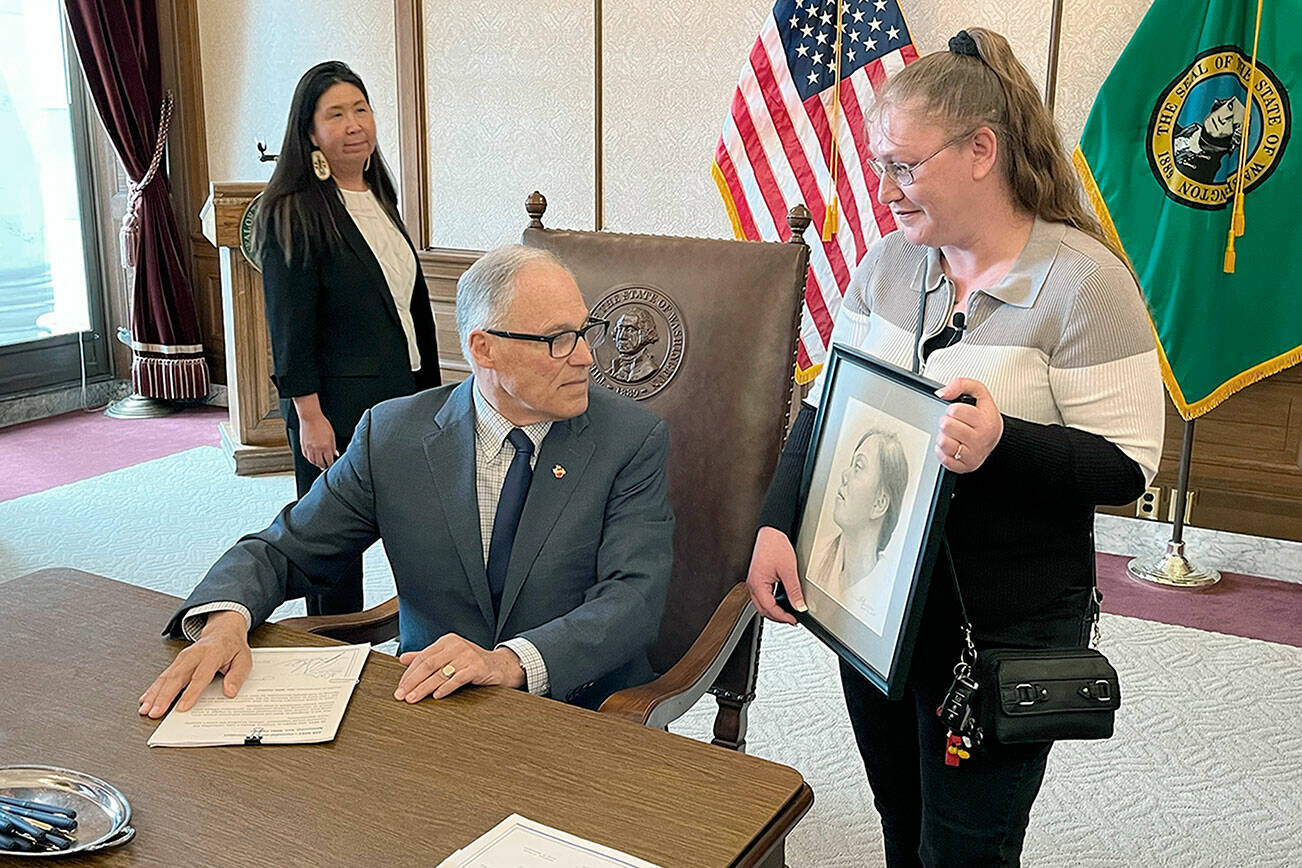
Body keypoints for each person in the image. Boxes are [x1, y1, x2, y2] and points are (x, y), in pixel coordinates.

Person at [744, 28, 1164, 867]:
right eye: (880, 166)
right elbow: (823, 409)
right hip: (874, 607)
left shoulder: (1086, 284)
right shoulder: (888, 266)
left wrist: (1003, 442)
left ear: (981, 151)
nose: (886, 191)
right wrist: (775, 522)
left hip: (1000, 626)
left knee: (967, 848)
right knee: (899, 819)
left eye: (904, 166)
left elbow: (1125, 467)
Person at [138, 245, 674, 718]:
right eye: (558, 339)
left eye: (584, 331)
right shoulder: (392, 435)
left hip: (581, 710)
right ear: (483, 348)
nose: (585, 357)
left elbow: (634, 598)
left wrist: (508, 662)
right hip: (430, 703)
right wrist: (224, 623)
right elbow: (284, 551)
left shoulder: (630, 438)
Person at [254, 61, 441, 616]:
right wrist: (309, 416)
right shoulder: (292, 212)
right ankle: (332, 646)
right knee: (332, 545)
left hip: (403, 396)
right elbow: (289, 326)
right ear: (310, 132)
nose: (354, 124)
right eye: (335, 114)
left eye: (361, 109)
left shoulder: (379, 196)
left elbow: (405, 305)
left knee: (417, 527)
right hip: (334, 408)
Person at [809, 427, 909, 628]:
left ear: (879, 503)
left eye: (858, 466)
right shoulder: (814, 556)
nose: (844, 475)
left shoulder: (889, 594)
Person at [608, 307, 660, 382]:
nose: (621, 336)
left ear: (645, 334)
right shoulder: (613, 369)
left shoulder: (648, 368)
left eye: (630, 330)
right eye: (620, 329)